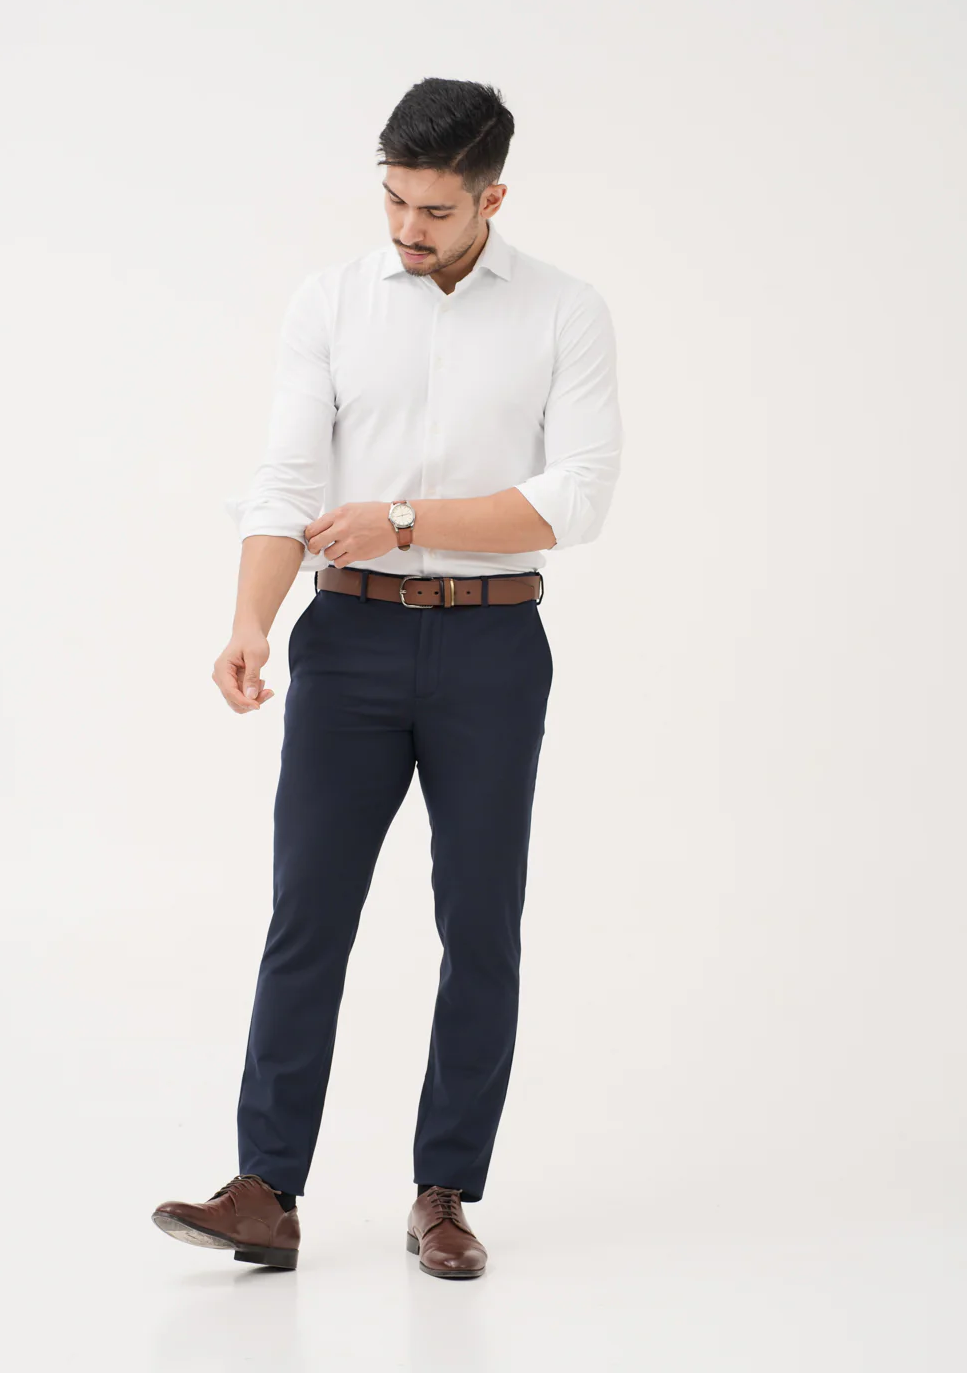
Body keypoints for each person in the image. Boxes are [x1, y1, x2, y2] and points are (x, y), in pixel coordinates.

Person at [151, 76, 624, 1279]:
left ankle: (445, 1192)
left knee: (481, 925)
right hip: (348, 640)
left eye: (437, 210)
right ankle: (266, 1192)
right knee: (307, 914)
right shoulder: (332, 302)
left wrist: (406, 517)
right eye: (395, 201)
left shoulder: (565, 312)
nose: (409, 229)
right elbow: (284, 481)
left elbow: (576, 499)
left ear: (492, 200)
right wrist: (250, 621)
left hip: (492, 647)